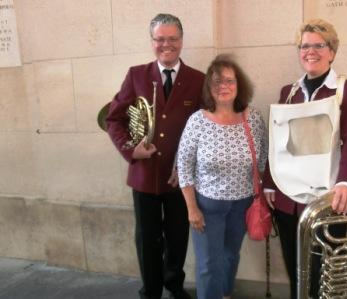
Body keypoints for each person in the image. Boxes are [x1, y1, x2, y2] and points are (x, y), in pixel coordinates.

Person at [263, 19, 347, 299]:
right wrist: (269, 184)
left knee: (325, 267)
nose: (310, 51)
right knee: (295, 266)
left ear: (332, 51)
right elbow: (277, 143)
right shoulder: (288, 93)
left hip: (330, 198)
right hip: (288, 198)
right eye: (304, 46)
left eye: (318, 45)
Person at [106, 13, 204, 299]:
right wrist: (129, 149)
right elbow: (114, 119)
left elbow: (204, 127)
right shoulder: (136, 74)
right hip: (144, 174)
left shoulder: (197, 79)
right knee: (147, 239)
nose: (166, 44)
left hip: (179, 176)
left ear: (181, 40)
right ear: (152, 42)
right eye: (160, 39)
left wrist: (190, 166)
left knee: (177, 236)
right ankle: (150, 291)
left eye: (172, 38)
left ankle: (173, 283)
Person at [176, 54, 268, 299]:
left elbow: (263, 158)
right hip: (208, 207)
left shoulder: (253, 118)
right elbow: (183, 167)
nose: (223, 86)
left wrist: (262, 193)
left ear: (239, 85)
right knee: (208, 266)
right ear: (209, 87)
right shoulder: (197, 121)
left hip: (243, 204)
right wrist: (192, 208)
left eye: (229, 81)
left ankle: (225, 295)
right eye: (217, 82)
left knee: (230, 256)